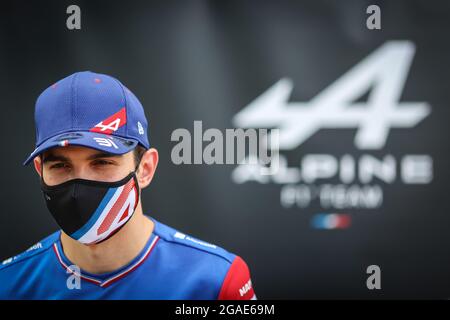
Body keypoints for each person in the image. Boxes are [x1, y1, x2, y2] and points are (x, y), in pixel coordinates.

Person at [0, 71, 256, 300]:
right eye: (60, 166)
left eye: (101, 162)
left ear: (145, 169)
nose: (79, 186)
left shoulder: (216, 281)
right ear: (39, 170)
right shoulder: (8, 285)